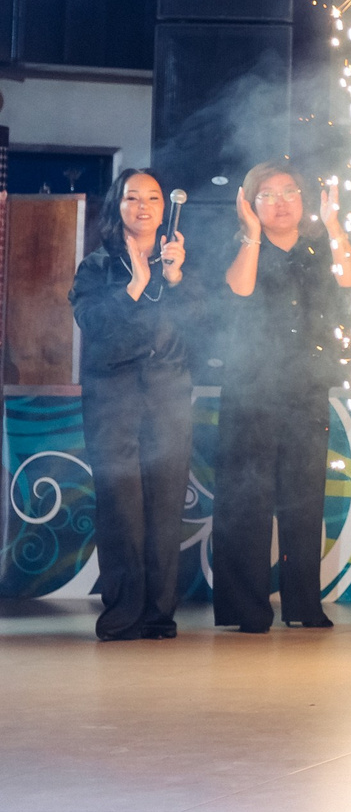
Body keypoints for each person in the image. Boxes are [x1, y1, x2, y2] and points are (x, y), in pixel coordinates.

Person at [214, 162, 351, 632]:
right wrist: (250, 233)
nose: (281, 202)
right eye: (268, 195)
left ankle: (303, 605)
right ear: (250, 203)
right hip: (249, 390)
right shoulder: (241, 245)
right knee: (247, 500)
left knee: (303, 502)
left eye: (290, 192)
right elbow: (240, 288)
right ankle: (247, 609)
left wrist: (335, 221)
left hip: (305, 389)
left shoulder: (319, 248)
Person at [68, 169, 198, 641]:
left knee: (166, 504)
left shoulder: (178, 263)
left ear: (166, 209)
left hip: (168, 393)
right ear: (116, 206)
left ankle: (159, 614)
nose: (143, 206)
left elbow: (206, 323)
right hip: (112, 398)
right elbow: (93, 324)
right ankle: (123, 613)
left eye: (153, 198)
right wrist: (134, 285)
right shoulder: (96, 267)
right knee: (121, 505)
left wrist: (176, 276)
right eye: (132, 198)